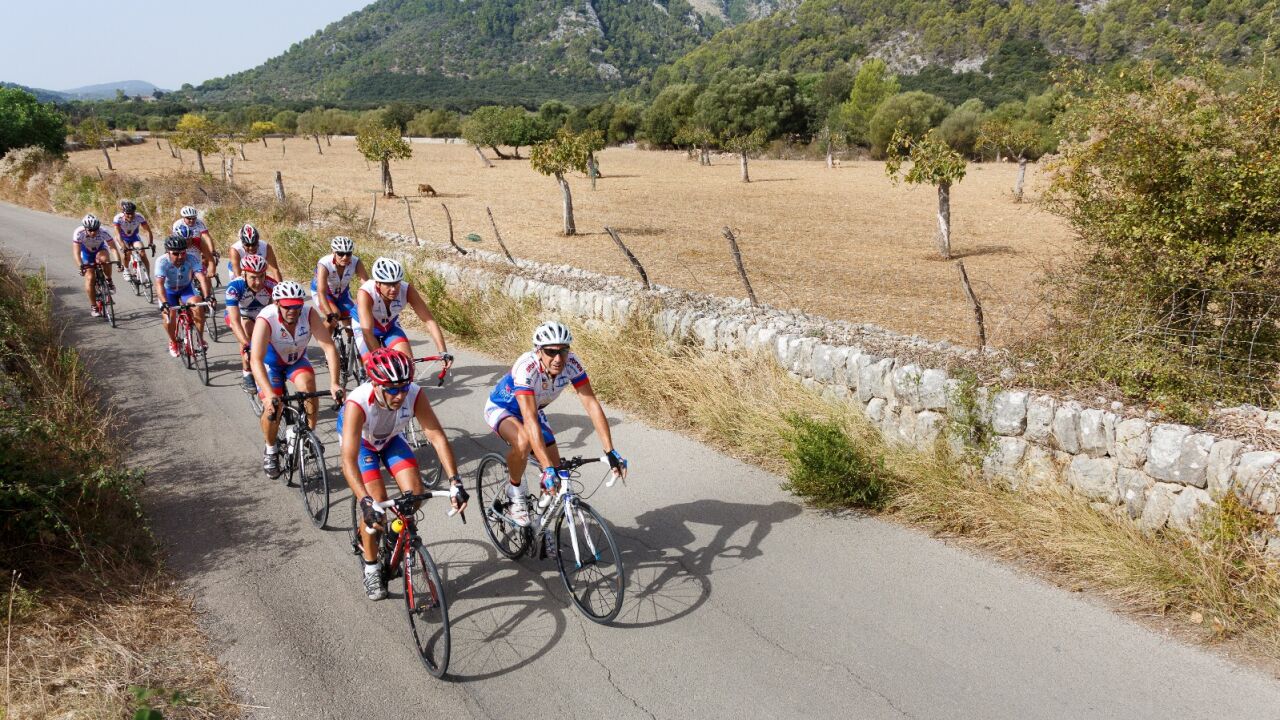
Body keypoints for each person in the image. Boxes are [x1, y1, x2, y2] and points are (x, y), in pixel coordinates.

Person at [339, 348, 468, 600]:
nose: (399, 395)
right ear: (376, 385)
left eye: (404, 387)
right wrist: (365, 501)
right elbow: (348, 461)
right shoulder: (357, 403)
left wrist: (455, 481)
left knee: (416, 494)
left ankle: (394, 533)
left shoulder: (414, 394)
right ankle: (371, 567)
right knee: (376, 505)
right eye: (391, 389)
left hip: (390, 440)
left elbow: (437, 437)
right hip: (363, 446)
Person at [483, 321, 627, 527]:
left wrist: (610, 450)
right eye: (551, 352)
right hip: (503, 408)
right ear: (538, 351)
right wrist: (546, 467)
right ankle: (515, 492)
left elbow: (591, 404)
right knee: (524, 442)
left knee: (558, 475)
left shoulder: (572, 363)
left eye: (563, 351)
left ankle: (540, 526)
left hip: (533, 410)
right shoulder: (527, 368)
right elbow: (529, 418)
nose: (558, 358)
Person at [249, 280, 342, 478]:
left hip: (296, 360)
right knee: (274, 408)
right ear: (276, 303)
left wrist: (335, 383)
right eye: (287, 307)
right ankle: (270, 449)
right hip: (270, 365)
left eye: (296, 306)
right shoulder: (266, 318)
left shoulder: (308, 314)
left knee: (308, 385)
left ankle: (310, 434)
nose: (292, 311)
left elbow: (329, 348)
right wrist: (269, 395)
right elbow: (255, 360)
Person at [352, 257, 452, 369]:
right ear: (378, 283)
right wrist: (381, 361)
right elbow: (368, 333)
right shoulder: (366, 293)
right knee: (375, 368)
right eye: (388, 284)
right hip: (365, 327)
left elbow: (429, 321)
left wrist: (443, 351)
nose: (393, 289)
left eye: (396, 283)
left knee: (407, 366)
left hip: (389, 326)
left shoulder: (407, 290)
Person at [224, 254, 276, 392]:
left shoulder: (272, 285)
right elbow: (235, 321)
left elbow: (277, 313)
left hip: (261, 315)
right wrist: (247, 346)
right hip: (240, 315)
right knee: (247, 330)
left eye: (261, 276)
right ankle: (247, 371)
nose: (258, 282)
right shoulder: (235, 287)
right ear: (244, 274)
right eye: (253, 277)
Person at [153, 235, 209, 357]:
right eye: (175, 253)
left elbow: (202, 278)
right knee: (169, 317)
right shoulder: (162, 262)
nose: (180, 257)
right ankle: (173, 341)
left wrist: (208, 297)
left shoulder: (191, 258)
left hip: (186, 289)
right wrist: (164, 303)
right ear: (168, 252)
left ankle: (200, 339)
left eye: (183, 253)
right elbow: (159, 284)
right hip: (168, 291)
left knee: (198, 306)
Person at [311, 236, 368, 332]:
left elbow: (367, 285)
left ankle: (350, 341)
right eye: (341, 254)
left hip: (342, 293)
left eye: (348, 254)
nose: (345, 257)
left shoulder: (356, 262)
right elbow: (321, 292)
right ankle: (323, 339)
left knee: (353, 318)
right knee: (334, 315)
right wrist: (329, 314)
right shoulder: (324, 264)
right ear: (333, 252)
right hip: (325, 293)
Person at [73, 214, 116, 315]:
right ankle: (94, 306)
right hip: (86, 253)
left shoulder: (104, 231)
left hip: (100, 249)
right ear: (85, 228)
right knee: (90, 277)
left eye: (95, 229)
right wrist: (81, 266)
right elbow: (76, 252)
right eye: (90, 230)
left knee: (105, 260)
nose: (93, 232)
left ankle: (109, 281)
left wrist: (119, 263)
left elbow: (113, 248)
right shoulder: (79, 233)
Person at [112, 200, 152, 283]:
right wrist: (123, 246)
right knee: (127, 253)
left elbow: (147, 231)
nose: (130, 216)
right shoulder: (118, 218)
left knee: (142, 252)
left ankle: (147, 277)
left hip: (134, 237)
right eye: (128, 213)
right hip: (122, 238)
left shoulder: (139, 217)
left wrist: (150, 243)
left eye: (132, 213)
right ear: (123, 212)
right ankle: (126, 270)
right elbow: (117, 234)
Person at [172, 205, 216, 276]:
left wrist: (212, 251)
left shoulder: (199, 223)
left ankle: (204, 272)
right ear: (183, 217)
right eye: (189, 218)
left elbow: (206, 237)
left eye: (194, 218)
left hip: (196, 242)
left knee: (205, 258)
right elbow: (174, 241)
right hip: (182, 244)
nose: (192, 220)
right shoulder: (177, 224)